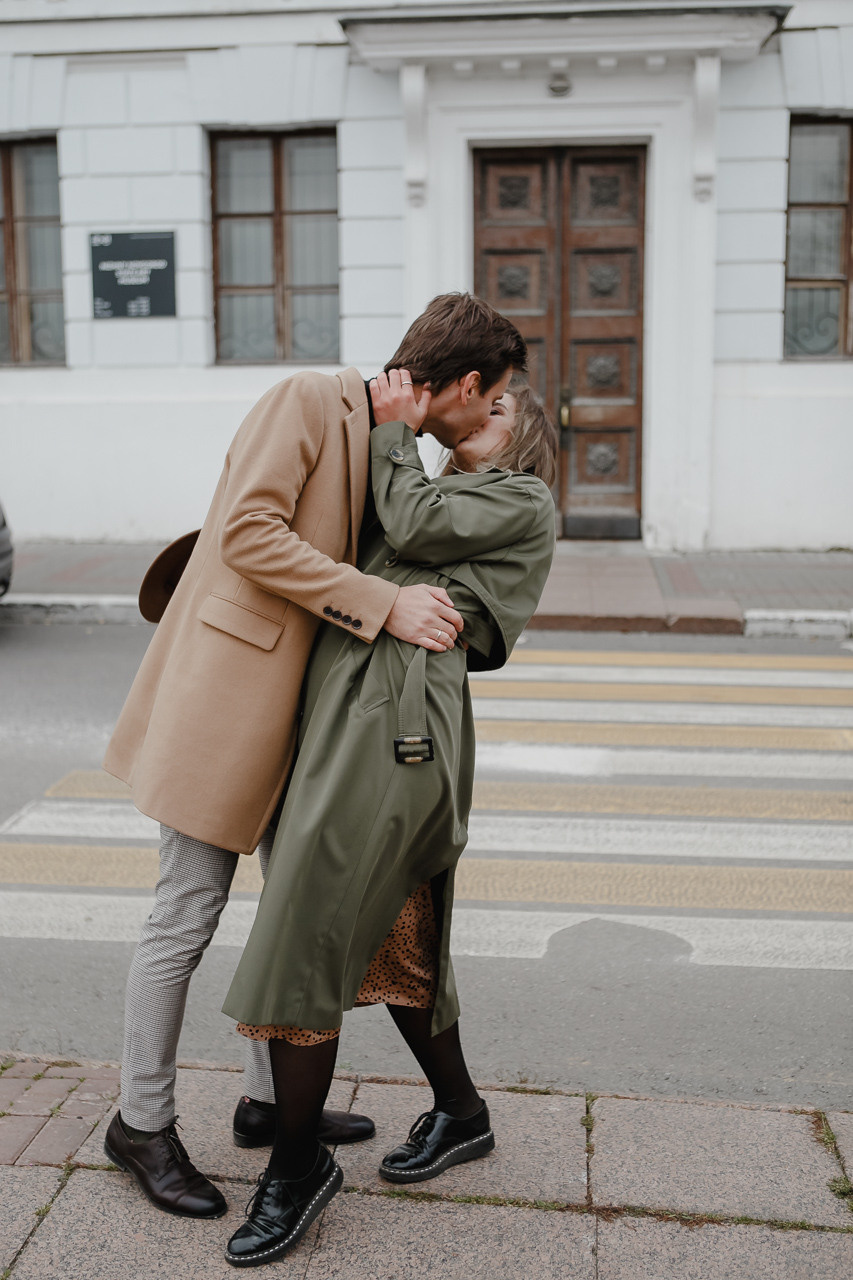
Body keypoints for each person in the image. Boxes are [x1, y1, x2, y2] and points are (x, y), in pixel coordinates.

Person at [101, 293, 529, 1219]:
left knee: (284, 914)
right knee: (185, 910)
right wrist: (382, 603)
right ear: (461, 385)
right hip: (224, 701)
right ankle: (140, 1121)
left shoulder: (393, 444)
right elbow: (249, 533)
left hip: (303, 718)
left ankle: (264, 1103)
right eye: (493, 397)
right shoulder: (309, 399)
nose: (497, 413)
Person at [221, 371, 558, 1267]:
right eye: (483, 398)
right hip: (357, 708)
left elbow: (404, 526)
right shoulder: (451, 489)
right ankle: (462, 1112)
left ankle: (295, 1170)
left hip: (400, 729)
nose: (488, 409)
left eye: (506, 404)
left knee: (304, 932)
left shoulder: (522, 499)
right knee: (396, 934)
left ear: (531, 432)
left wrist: (392, 429)